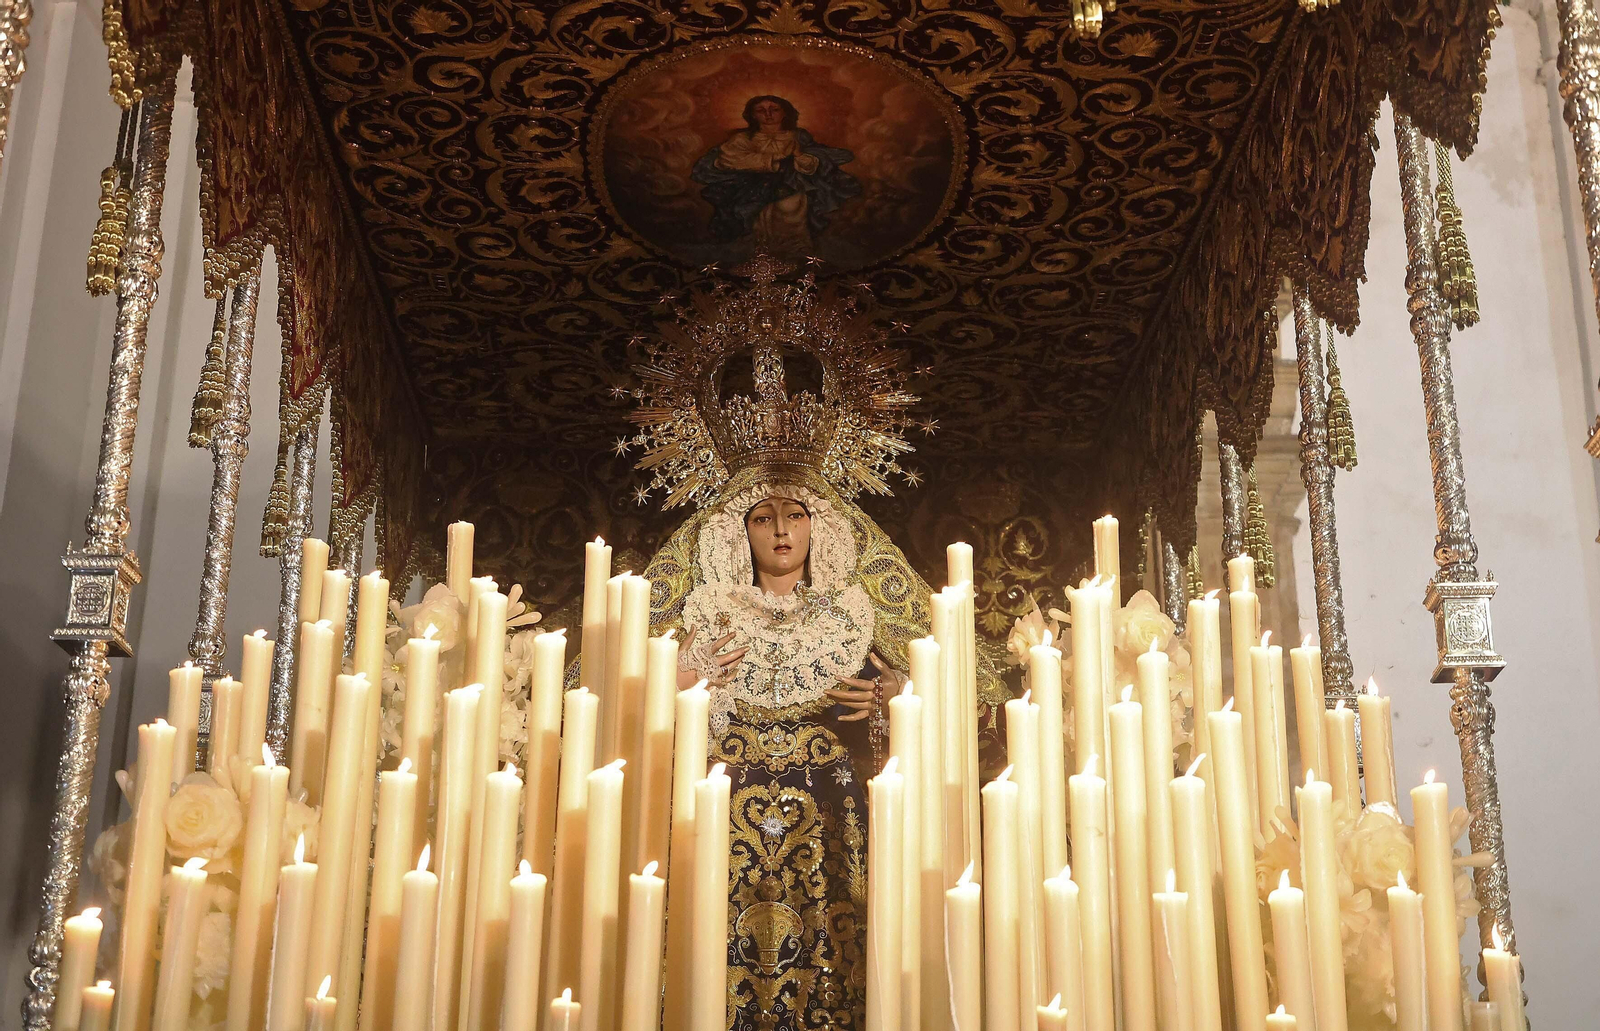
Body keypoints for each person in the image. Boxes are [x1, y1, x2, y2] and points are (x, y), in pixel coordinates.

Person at [692, 95, 861, 256]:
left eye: (774, 109)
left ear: (785, 112)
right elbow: (727, 159)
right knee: (753, 214)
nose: (768, 114)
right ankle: (759, 251)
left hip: (790, 183)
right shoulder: (742, 138)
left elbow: (811, 159)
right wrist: (773, 160)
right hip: (749, 185)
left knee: (790, 208)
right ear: (752, 115)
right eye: (761, 110)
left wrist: (800, 157)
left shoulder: (797, 136)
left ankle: (795, 249)